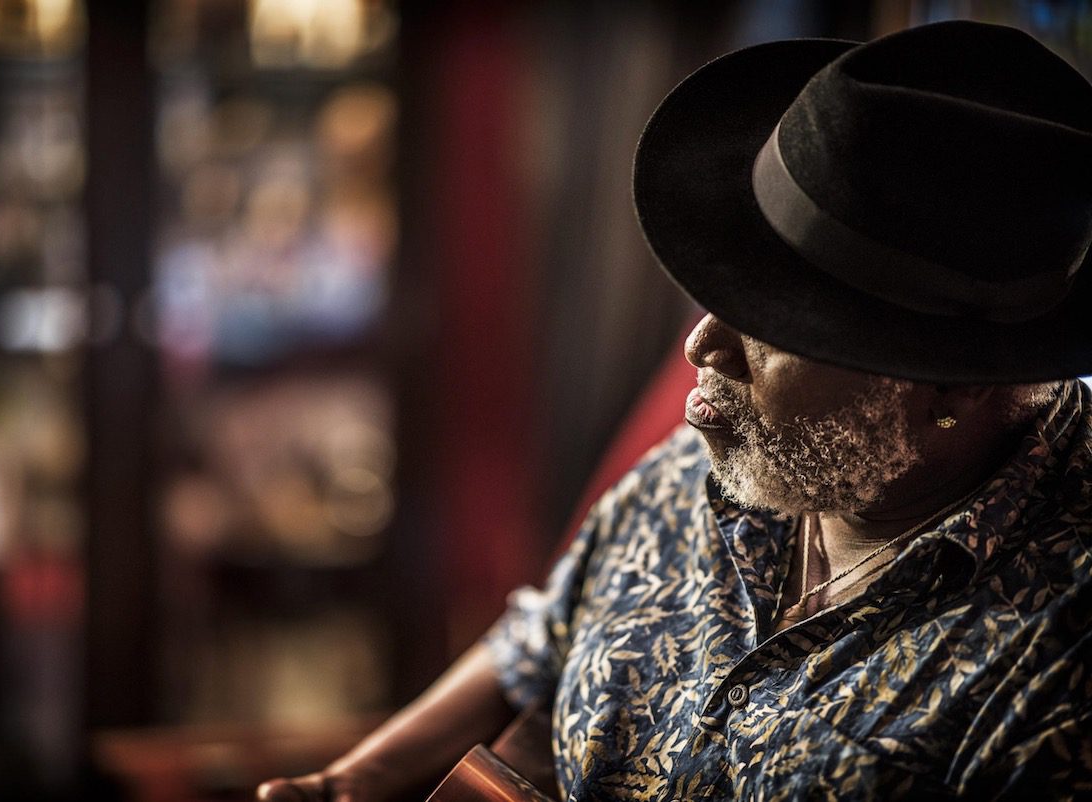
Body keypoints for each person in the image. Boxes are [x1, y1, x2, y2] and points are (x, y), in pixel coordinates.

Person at [258, 19, 1092, 801]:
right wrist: (359, 779)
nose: (703, 347)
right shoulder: (726, 458)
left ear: (952, 385)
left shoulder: (1059, 663)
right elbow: (536, 643)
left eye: (775, 327)